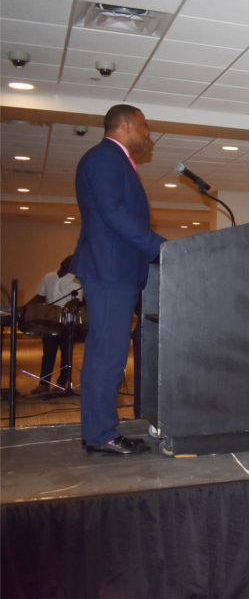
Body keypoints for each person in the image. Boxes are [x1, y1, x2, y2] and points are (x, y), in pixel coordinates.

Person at [71, 104, 165, 455]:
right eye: (144, 125)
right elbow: (113, 212)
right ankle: (100, 435)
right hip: (110, 269)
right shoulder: (104, 158)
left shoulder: (113, 159)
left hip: (116, 269)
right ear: (125, 125)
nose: (148, 132)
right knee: (107, 356)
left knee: (107, 354)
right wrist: (160, 248)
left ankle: (101, 432)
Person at [26, 255, 83, 394]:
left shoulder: (76, 280)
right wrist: (25, 308)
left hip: (68, 322)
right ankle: (44, 384)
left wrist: (72, 304)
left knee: (66, 354)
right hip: (50, 322)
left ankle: (61, 384)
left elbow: (78, 300)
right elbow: (40, 297)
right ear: (62, 261)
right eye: (67, 259)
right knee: (48, 353)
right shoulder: (48, 277)